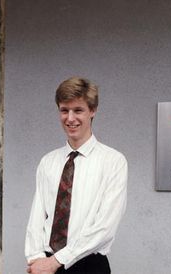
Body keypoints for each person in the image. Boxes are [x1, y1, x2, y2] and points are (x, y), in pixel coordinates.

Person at [25, 77, 128, 274]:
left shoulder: (113, 161)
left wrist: (57, 261)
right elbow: (37, 216)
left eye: (78, 110)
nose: (70, 118)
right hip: (46, 265)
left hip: (88, 264)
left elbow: (105, 227)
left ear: (93, 111)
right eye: (64, 110)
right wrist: (35, 257)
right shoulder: (48, 161)